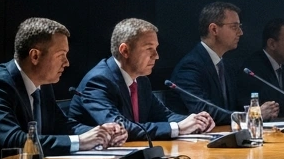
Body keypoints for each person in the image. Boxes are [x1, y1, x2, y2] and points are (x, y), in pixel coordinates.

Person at [0, 18, 125, 159]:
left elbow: (63, 126)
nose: (66, 63)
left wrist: (102, 133)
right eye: (61, 55)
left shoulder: (43, 84)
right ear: (35, 56)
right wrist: (80, 142)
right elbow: (13, 141)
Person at [69, 18, 214, 140]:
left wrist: (195, 121)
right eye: (149, 48)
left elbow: (164, 115)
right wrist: (177, 128)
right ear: (125, 50)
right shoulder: (98, 81)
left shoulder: (141, 80)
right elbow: (119, 127)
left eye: (156, 48)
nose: (156, 56)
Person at [167, 2, 277, 122]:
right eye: (234, 27)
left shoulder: (226, 66)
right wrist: (253, 115)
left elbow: (234, 106)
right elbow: (204, 111)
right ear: (214, 29)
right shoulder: (190, 67)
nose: (240, 32)